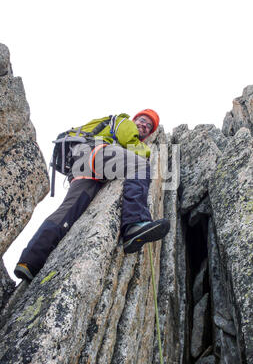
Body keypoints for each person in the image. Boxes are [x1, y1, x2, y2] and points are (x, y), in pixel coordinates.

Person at [14, 109, 170, 281]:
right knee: (141, 166)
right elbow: (129, 141)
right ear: (135, 119)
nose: (144, 126)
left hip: (81, 164)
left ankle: (30, 261)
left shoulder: (108, 126)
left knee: (69, 210)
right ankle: (135, 224)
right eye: (142, 120)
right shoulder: (123, 121)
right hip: (94, 152)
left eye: (149, 126)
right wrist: (150, 152)